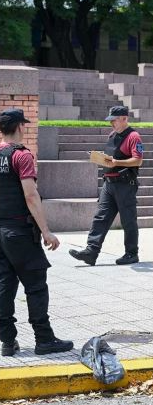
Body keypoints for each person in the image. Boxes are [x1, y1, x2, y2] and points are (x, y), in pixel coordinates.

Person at [0, 108, 74, 356]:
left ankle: (7, 342)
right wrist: (46, 231)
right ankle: (44, 339)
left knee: (4, 285)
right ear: (20, 127)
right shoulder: (21, 156)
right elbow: (31, 196)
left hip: (0, 233)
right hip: (19, 232)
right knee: (36, 285)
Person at [69, 106, 143, 266]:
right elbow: (111, 157)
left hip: (125, 185)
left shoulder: (134, 136)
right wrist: (99, 158)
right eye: (110, 121)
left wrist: (117, 162)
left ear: (124, 118)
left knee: (128, 221)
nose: (111, 124)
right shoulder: (112, 135)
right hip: (109, 184)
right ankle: (91, 252)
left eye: (114, 120)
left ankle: (131, 253)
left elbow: (138, 160)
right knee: (100, 218)